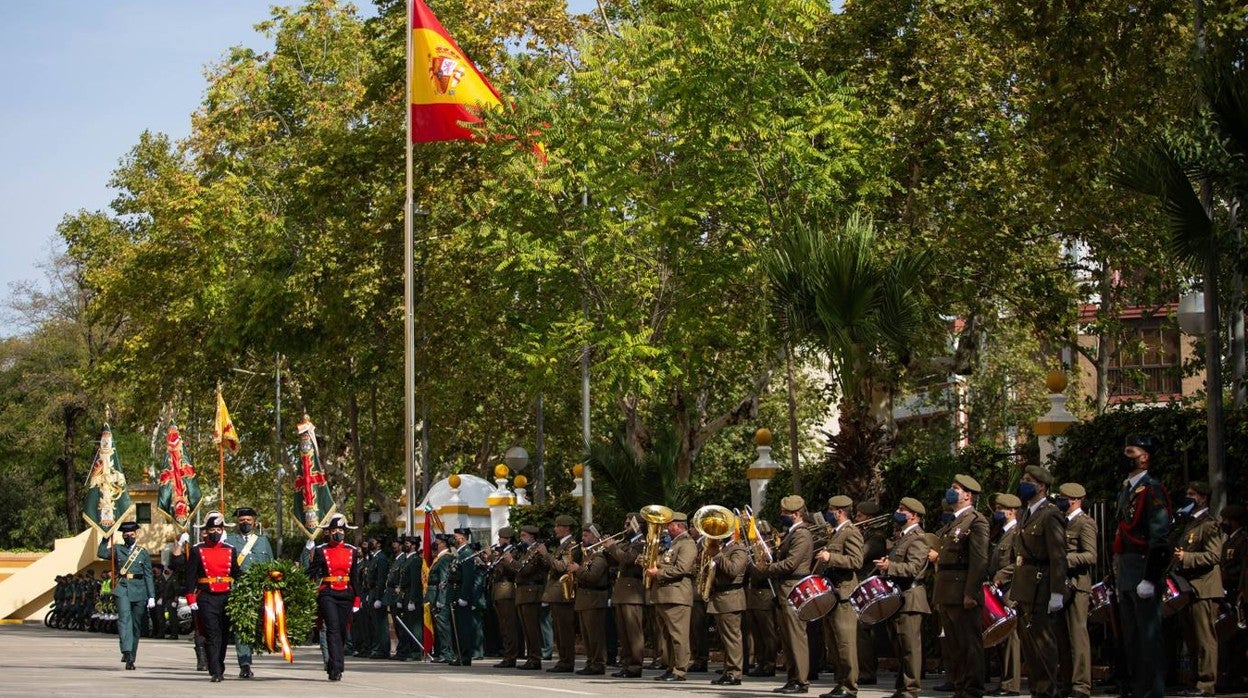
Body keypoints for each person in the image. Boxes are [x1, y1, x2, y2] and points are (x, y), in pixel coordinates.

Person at [1114, 434, 1171, 698]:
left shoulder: (1152, 489)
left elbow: (1159, 538)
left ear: (1144, 457)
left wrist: (1150, 577)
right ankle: (1138, 689)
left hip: (1142, 569)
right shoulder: (1127, 490)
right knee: (1132, 638)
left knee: (1149, 637)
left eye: (1130, 452)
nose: (1125, 457)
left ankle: (1153, 691)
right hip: (1126, 571)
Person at [1012, 465, 1067, 698]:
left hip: (1041, 585)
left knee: (1043, 645)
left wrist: (1057, 592)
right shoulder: (1026, 513)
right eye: (1024, 479)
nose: (1023, 483)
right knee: (1030, 646)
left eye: (1029, 480)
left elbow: (1058, 556)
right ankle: (1037, 690)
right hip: (1025, 586)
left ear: (1042, 486)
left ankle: (1047, 691)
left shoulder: (1050, 513)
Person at [934, 475, 989, 698]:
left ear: (968, 495)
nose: (950, 490)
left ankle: (972, 689)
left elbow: (979, 560)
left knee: (969, 645)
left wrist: (970, 592)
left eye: (955, 488)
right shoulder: (953, 522)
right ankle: (960, 687)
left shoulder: (976, 520)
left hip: (962, 591)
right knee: (954, 646)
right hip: (947, 591)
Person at [758, 495, 815, 695]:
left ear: (797, 514)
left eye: (786, 513)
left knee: (796, 637)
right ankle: (792, 678)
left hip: (794, 588)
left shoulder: (801, 534)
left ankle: (801, 680)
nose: (782, 515)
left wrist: (766, 568)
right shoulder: (791, 533)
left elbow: (791, 564)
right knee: (788, 639)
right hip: (784, 590)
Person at [876, 497, 930, 698]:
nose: (898, 512)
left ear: (914, 516)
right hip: (899, 597)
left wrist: (890, 566)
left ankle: (911, 689)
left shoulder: (918, 538)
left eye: (902, 509)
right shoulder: (903, 537)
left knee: (910, 648)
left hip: (911, 598)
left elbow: (914, 568)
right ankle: (902, 687)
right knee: (900, 646)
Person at [1173, 481, 1223, 698]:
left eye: (1192, 494)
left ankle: (1206, 684)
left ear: (1202, 498)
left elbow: (1214, 556)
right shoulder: (1189, 523)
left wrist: (1187, 558)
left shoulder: (1210, 524)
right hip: (1189, 589)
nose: (1188, 497)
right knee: (1192, 639)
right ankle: (1194, 681)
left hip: (1204, 588)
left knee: (1205, 640)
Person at [815, 495, 864, 698]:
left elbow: (856, 561)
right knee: (834, 643)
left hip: (844, 593)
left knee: (845, 644)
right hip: (832, 594)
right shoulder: (836, 533)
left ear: (840, 512)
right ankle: (840, 683)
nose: (828, 513)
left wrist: (830, 557)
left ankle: (850, 686)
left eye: (831, 509)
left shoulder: (851, 533)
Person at [186, 512, 242, 682]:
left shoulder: (230, 550)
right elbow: (190, 576)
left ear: (222, 530)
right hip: (206, 596)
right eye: (212, 529)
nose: (215, 532)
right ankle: (215, 670)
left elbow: (236, 573)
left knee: (224, 634)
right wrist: (191, 598)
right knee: (212, 633)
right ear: (206, 531)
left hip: (226, 596)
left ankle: (219, 664)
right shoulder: (197, 550)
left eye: (218, 529)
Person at [306, 513, 362, 681]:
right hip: (328, 592)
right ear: (328, 532)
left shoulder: (352, 551)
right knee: (332, 628)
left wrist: (358, 598)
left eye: (341, 530)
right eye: (334, 530)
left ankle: (333, 663)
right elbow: (312, 572)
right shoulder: (322, 550)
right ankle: (337, 666)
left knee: (343, 630)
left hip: (346, 593)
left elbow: (355, 577)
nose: (338, 533)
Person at [1055, 483, 1096, 698]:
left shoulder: (1084, 523)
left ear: (1075, 500)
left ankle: (1081, 685)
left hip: (1077, 585)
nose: (1060, 501)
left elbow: (1091, 555)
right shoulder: (1062, 522)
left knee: (1077, 636)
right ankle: (1066, 682)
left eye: (1063, 498)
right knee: (1062, 637)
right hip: (1060, 586)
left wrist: (1065, 560)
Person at [97, 520, 155, 670]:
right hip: (122, 588)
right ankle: (127, 652)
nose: (129, 536)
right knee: (124, 621)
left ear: (136, 535)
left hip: (139, 590)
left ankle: (132, 657)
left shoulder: (142, 553)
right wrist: (105, 537)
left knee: (136, 626)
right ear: (123, 536)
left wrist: (151, 596)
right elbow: (101, 553)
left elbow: (148, 575)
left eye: (132, 534)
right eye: (126, 534)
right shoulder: (117, 549)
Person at [646, 510, 697, 682]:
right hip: (665, 595)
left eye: (670, 524)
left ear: (679, 525)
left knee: (679, 635)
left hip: (677, 595)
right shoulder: (674, 544)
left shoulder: (687, 544)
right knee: (667, 635)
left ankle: (680, 669)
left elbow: (682, 568)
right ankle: (670, 666)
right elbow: (668, 563)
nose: (667, 528)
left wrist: (658, 572)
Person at [224, 506, 273, 679]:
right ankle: (244, 663)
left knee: (260, 625)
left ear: (254, 522)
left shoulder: (263, 541)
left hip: (260, 589)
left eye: (248, 520)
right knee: (241, 627)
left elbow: (271, 565)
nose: (245, 523)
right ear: (237, 522)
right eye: (242, 520)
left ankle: (255, 652)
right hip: (240, 589)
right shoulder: (230, 540)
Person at [706, 518, 750, 685]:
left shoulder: (738, 548)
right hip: (720, 598)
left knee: (733, 638)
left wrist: (716, 554)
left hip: (731, 598)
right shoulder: (725, 548)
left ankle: (734, 673)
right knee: (725, 639)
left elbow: (733, 570)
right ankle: (728, 670)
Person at [603, 513, 647, 678]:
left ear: (638, 525)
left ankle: (635, 665)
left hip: (633, 590)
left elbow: (628, 559)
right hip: (622, 591)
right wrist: (607, 550)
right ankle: (627, 663)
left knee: (633, 631)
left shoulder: (641, 543)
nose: (624, 527)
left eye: (628, 524)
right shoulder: (628, 543)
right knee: (623, 631)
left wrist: (612, 547)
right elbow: (615, 562)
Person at [988, 494, 1022, 697]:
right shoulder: (1001, 533)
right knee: (1001, 635)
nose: (997, 512)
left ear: (1012, 511)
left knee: (1010, 636)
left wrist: (1000, 576)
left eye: (1001, 508)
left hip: (1010, 588)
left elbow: (1018, 562)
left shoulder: (1017, 533)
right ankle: (1004, 681)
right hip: (997, 589)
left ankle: (1011, 684)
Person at [541, 515, 580, 673]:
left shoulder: (571, 546)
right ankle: (563, 660)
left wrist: (545, 554)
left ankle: (567, 661)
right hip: (556, 594)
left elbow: (561, 566)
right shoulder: (561, 545)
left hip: (564, 595)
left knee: (565, 630)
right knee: (559, 629)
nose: (555, 529)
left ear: (567, 528)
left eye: (559, 526)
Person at [507, 525, 548, 670]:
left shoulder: (536, 551)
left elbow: (525, 570)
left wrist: (511, 561)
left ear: (532, 536)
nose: (521, 538)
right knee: (526, 628)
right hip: (524, 592)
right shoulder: (527, 551)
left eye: (524, 535)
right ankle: (531, 657)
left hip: (532, 592)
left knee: (532, 628)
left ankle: (535, 658)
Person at [854, 502, 886, 685]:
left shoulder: (876, 537)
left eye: (859, 516)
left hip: (867, 585)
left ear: (867, 517)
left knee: (863, 631)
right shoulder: (866, 535)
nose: (856, 520)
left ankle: (867, 671)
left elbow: (860, 556)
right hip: (862, 585)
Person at [574, 524, 611, 675]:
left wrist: (577, 570)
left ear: (596, 537)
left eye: (587, 535)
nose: (583, 538)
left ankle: (598, 663)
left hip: (595, 598)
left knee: (595, 635)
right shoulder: (588, 554)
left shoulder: (599, 555)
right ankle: (591, 662)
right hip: (585, 599)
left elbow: (593, 576)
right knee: (587, 636)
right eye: (583, 535)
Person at [746, 519, 779, 678]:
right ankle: (761, 662)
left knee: (768, 633)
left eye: (761, 534)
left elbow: (763, 572)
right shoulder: (754, 549)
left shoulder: (770, 550)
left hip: (765, 595)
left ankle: (770, 663)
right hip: (753, 595)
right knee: (756, 633)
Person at [1219, 505, 1246, 692]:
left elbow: (1244, 568)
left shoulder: (1243, 540)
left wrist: (1243, 592)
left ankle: (1236, 679)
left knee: (1238, 638)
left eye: (1225, 519)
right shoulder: (1229, 541)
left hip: (1239, 592)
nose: (1222, 523)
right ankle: (1230, 677)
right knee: (1229, 637)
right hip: (1227, 592)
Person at [446, 528, 479, 666]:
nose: (453, 539)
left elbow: (468, 578)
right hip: (454, 594)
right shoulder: (459, 554)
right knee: (456, 627)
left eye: (456, 536)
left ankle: (464, 656)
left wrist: (464, 596)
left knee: (463, 627)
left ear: (463, 539)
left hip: (461, 595)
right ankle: (459, 654)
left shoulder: (467, 554)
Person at [491, 528, 520, 667]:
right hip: (498, 591)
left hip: (507, 590)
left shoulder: (513, 552)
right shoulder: (502, 553)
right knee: (503, 626)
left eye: (501, 538)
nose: (499, 540)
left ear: (507, 539)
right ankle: (507, 654)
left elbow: (512, 570)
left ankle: (511, 655)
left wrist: (497, 559)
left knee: (509, 626)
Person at [425, 535, 454, 663]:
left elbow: (443, 581)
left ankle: (447, 653)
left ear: (443, 544)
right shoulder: (439, 558)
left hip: (439, 596)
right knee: (438, 627)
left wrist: (441, 599)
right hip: (433, 594)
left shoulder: (445, 558)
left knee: (443, 626)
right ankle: (441, 652)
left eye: (437, 542)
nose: (434, 544)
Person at [365, 537, 392, 659]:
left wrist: (378, 598)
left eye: (374, 542)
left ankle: (383, 649)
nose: (371, 543)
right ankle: (377, 647)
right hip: (372, 592)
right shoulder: (374, 558)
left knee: (381, 624)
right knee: (375, 624)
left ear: (379, 545)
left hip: (377, 593)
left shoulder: (381, 559)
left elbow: (381, 580)